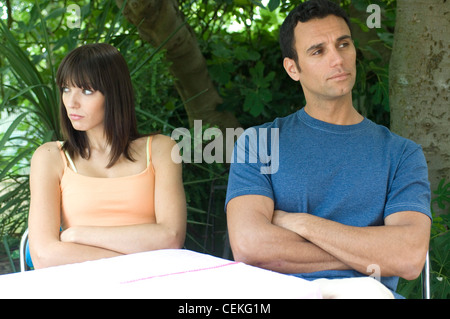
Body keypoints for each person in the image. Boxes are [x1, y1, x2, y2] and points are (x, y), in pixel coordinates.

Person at [225, 0, 431, 298]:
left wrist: (300, 222)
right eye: (318, 51)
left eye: (343, 44)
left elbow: (408, 257)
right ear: (293, 68)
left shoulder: (402, 154)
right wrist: (372, 255)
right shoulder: (259, 143)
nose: (337, 59)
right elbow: (250, 246)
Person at [28, 43, 187, 269]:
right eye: (65, 89)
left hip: (152, 282)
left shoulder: (161, 149)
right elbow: (44, 256)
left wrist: (77, 234)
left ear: (114, 93)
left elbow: (171, 237)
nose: (71, 102)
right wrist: (133, 258)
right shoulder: (50, 157)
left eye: (86, 91)